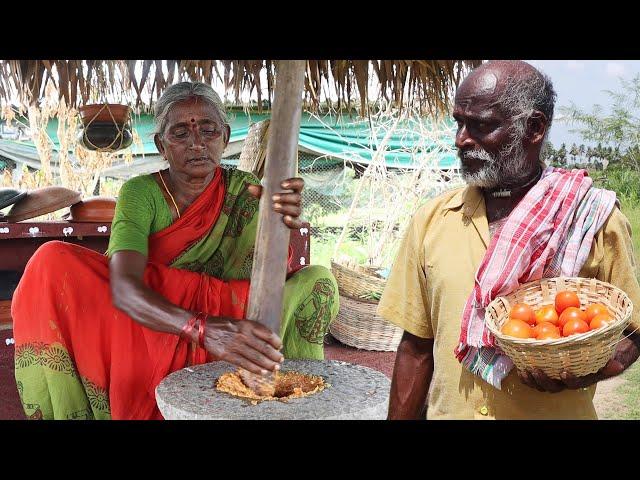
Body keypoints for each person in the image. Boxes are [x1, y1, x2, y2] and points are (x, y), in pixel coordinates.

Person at [12, 81, 339, 420]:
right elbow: (124, 288)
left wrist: (278, 219)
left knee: (318, 280)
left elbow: (264, 279)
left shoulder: (248, 190)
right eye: (180, 132)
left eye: (208, 130)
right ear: (161, 144)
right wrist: (203, 329)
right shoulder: (140, 192)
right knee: (51, 260)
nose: (196, 143)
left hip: (232, 318)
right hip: (154, 321)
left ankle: (290, 397)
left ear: (225, 137)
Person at [378, 60, 640, 420]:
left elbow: (633, 333)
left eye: (482, 125)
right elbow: (416, 346)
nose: (461, 139)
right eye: (459, 122)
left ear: (534, 128)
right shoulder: (432, 220)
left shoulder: (594, 219)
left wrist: (585, 371)